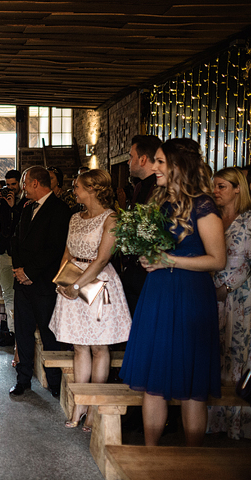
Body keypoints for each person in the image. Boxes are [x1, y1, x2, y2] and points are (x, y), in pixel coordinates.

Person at [120, 138, 226, 447]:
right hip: (158, 293)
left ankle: (192, 460)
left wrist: (170, 260)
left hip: (190, 295)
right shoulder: (159, 201)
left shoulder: (204, 205)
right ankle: (151, 456)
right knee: (153, 381)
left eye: (160, 162)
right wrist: (145, 253)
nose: (154, 167)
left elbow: (217, 260)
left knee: (191, 385)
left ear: (179, 166)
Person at [49, 169, 132, 431]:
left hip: (98, 282)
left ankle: (95, 408)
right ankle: (80, 404)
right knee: (79, 346)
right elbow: (67, 251)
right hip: (72, 280)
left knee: (99, 347)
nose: (74, 190)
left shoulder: (111, 219)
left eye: (78, 187)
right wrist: (62, 281)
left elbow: (102, 259)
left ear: (93, 189)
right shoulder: (75, 217)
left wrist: (76, 284)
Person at [9, 166, 71, 397]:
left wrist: (30, 272)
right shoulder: (26, 208)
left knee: (48, 334)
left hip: (43, 283)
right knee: (23, 333)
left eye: (24, 182)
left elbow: (54, 249)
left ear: (35, 183)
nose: (22, 187)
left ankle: (54, 383)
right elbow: (15, 240)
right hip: (22, 282)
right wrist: (17, 270)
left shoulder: (60, 209)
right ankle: (23, 380)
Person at [207, 167, 251, 439]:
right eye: (215, 186)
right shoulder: (212, 218)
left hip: (239, 294)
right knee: (215, 349)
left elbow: (248, 260)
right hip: (209, 291)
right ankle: (214, 420)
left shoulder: (248, 221)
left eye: (222, 186)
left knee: (237, 350)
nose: (216, 191)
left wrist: (227, 286)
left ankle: (238, 422)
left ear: (238, 189)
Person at [118, 135, 163, 315]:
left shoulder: (162, 188)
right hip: (135, 267)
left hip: (154, 269)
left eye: (131, 156)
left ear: (143, 159)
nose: (128, 162)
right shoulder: (138, 187)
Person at [0, 170, 23, 347]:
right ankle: (13, 331)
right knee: (8, 293)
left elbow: (22, 224)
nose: (10, 188)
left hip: (20, 253)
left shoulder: (24, 202)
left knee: (19, 294)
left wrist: (13, 205)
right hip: (3, 251)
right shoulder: (1, 201)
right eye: (7, 185)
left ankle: (20, 332)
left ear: (20, 184)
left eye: (13, 185)